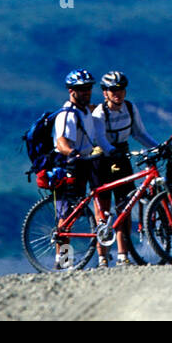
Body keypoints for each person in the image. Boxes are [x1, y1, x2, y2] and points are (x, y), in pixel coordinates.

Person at [92, 70, 159, 265]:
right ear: (105, 92)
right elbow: (99, 138)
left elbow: (140, 133)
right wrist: (111, 151)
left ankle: (123, 256)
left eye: (120, 89)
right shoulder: (99, 112)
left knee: (125, 205)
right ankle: (103, 257)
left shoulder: (130, 108)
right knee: (103, 209)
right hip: (101, 159)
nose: (117, 93)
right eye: (113, 90)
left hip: (121, 157)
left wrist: (158, 147)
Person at [53, 69, 117, 268]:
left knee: (98, 204)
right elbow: (62, 141)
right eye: (82, 90)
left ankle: (104, 258)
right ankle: (63, 262)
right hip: (70, 165)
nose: (86, 92)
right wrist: (72, 154)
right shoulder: (67, 115)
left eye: (88, 88)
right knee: (67, 215)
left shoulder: (86, 110)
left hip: (88, 161)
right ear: (71, 91)